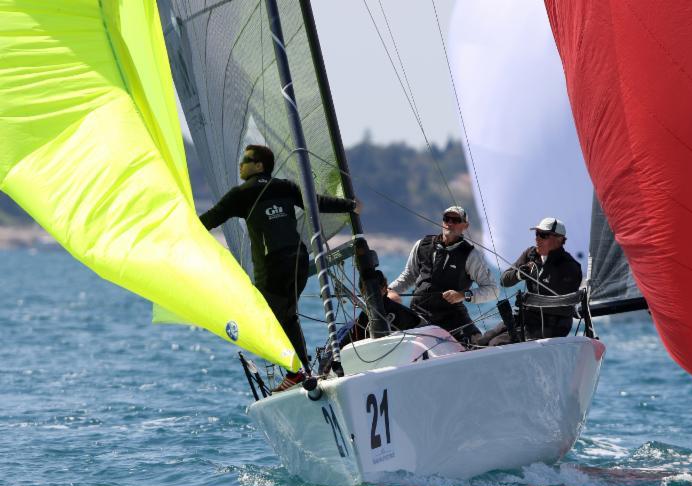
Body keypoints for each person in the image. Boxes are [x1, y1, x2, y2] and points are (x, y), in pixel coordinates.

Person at [199, 144, 358, 391]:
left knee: (269, 316)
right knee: (288, 315)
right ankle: (300, 370)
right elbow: (316, 203)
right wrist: (349, 205)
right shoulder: (285, 186)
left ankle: (296, 371)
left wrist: (177, 231)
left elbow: (209, 219)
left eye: (246, 160)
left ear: (259, 165)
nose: (240, 165)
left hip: (272, 266)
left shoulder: (241, 193)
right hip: (298, 261)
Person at [387, 206, 498, 343]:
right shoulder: (422, 245)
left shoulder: (471, 255)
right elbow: (409, 275)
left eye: (456, 220)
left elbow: (492, 290)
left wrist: (462, 295)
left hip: (452, 317)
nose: (450, 223)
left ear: (465, 226)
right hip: (418, 313)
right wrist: (390, 291)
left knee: (480, 346)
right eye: (447, 219)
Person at [477, 217, 582, 346]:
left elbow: (560, 301)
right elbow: (504, 280)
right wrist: (520, 275)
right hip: (524, 319)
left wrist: (541, 273)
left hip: (552, 325)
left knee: (495, 344)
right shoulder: (530, 254)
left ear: (559, 239)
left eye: (543, 235)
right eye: (536, 234)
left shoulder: (570, 267)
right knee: (482, 342)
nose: (537, 238)